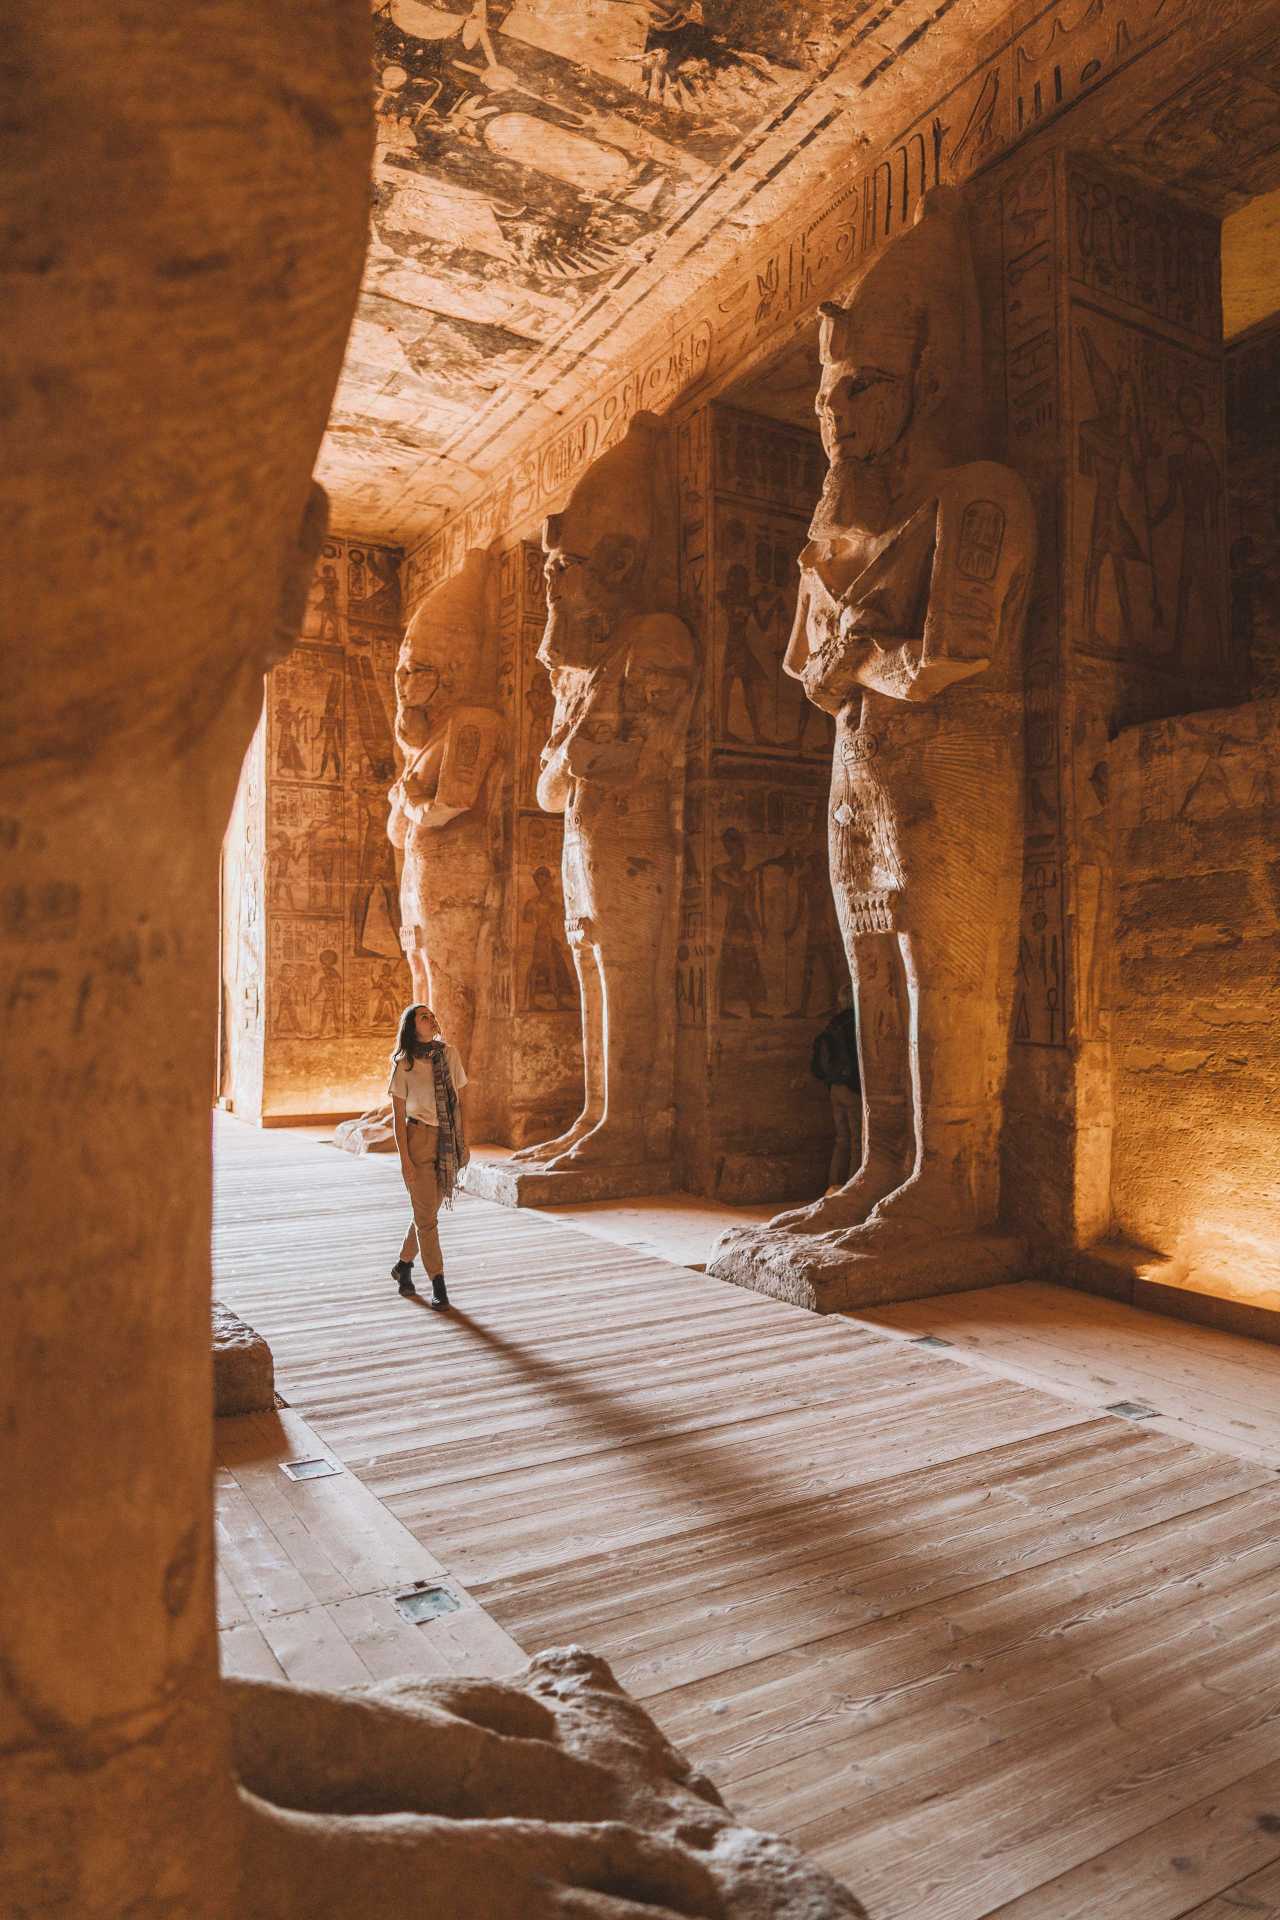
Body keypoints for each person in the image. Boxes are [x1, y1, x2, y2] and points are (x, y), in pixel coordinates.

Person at [387, 1004, 469, 1309]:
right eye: (424, 1016)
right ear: (412, 1027)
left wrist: (463, 1142)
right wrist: (404, 1160)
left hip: (446, 1142)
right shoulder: (403, 1064)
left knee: (425, 1215)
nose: (432, 1018)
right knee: (427, 1220)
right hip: (418, 1139)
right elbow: (397, 1118)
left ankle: (403, 1266)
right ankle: (438, 1282)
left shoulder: (450, 1054)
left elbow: (460, 1104)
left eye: (432, 1014)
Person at [810, 991, 860, 1193]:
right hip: (851, 1087)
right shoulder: (854, 1023)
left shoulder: (833, 1023)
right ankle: (852, 1187)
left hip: (835, 1087)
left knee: (842, 1139)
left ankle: (834, 1185)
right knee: (857, 1140)